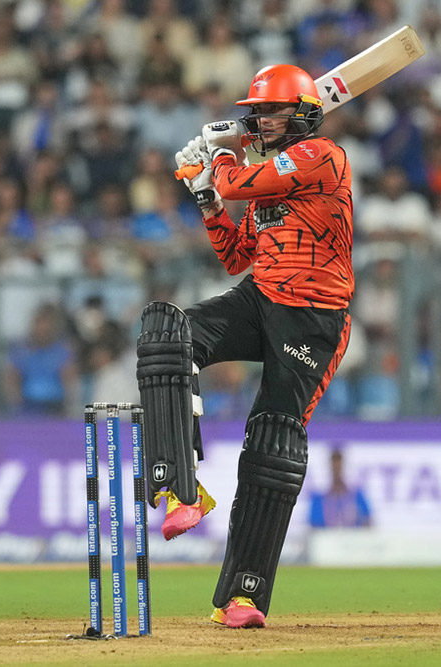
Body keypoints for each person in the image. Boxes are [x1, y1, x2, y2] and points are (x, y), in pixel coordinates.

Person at [140, 64, 353, 629]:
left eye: (270, 112)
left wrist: (216, 158)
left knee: (273, 440)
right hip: (261, 296)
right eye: (253, 113)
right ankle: (180, 491)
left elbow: (236, 181)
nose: (258, 121)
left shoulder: (322, 155)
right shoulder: (271, 176)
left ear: (303, 115)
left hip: (313, 317)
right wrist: (205, 196)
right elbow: (237, 257)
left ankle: (244, 596)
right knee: (167, 329)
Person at [308, 449, 372, 528]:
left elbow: (368, 523)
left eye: (339, 467)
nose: (337, 472)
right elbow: (313, 528)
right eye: (334, 468)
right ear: (330, 468)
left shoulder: (357, 497)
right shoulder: (318, 500)